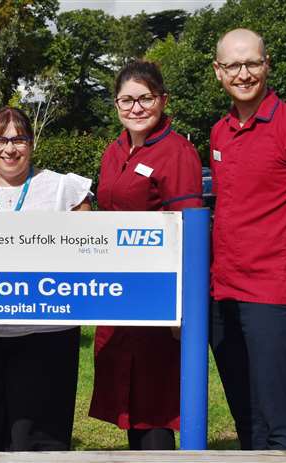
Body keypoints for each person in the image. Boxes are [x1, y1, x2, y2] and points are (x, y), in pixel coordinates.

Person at [209, 28, 286, 450]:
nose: (242, 73)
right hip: (223, 292)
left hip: (274, 293)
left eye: (252, 63)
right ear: (218, 72)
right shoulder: (219, 132)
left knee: (279, 420)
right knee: (247, 417)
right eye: (232, 65)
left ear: (267, 65)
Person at [0, 106, 92, 451]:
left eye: (19, 139)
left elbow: (89, 251)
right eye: (0, 139)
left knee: (39, 440)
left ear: (31, 142)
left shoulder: (62, 190)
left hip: (46, 335)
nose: (9, 148)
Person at [88, 60, 202, 450]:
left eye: (145, 99)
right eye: (126, 100)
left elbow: (190, 231)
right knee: (130, 401)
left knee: (155, 405)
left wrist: (182, 305)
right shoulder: (114, 149)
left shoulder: (177, 152)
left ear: (162, 100)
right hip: (120, 294)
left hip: (159, 295)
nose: (136, 108)